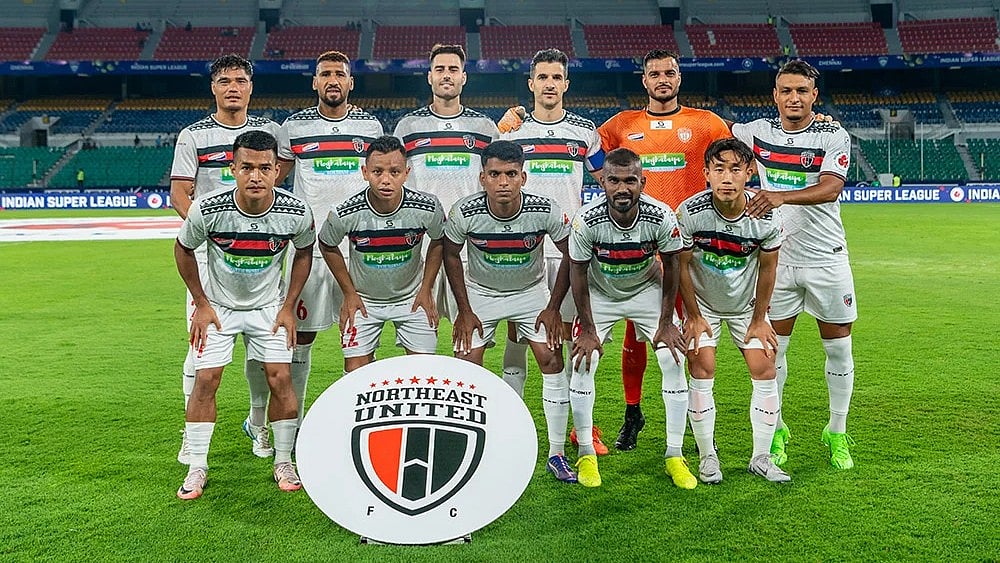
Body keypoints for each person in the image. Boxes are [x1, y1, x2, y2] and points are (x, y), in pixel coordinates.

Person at [174, 130, 315, 500]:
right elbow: (183, 249)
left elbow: (304, 253)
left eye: (265, 168)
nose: (256, 176)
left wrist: (288, 307)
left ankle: (283, 460)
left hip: (269, 308)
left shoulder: (296, 210)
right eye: (247, 167)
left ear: (277, 170)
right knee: (207, 380)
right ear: (232, 168)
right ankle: (197, 466)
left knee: (280, 378)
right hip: (219, 308)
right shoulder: (207, 207)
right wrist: (201, 304)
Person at [732, 60, 857, 469]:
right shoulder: (757, 133)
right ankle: (779, 429)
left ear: (814, 96)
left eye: (802, 91)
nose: (794, 98)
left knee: (838, 350)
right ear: (775, 95)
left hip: (826, 258)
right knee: (774, 353)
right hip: (777, 261)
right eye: (786, 90)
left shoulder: (833, 134)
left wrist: (782, 196)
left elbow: (831, 188)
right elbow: (710, 128)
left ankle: (836, 431)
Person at [170, 54, 287, 465]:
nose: (233, 87)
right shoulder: (193, 135)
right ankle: (192, 435)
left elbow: (277, 180)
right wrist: (211, 228)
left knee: (264, 347)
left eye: (240, 80)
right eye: (224, 80)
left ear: (251, 86)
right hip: (208, 254)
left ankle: (258, 424)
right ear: (213, 88)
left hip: (259, 255)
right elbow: (180, 192)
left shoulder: (271, 132)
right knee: (200, 345)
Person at [443, 140, 576, 482]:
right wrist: (465, 309)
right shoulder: (464, 211)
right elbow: (450, 255)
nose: (503, 182)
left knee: (551, 359)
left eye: (511, 174)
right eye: (495, 174)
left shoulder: (545, 209)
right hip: (480, 294)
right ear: (482, 178)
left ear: (523, 177)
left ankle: (557, 452)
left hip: (530, 293)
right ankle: (467, 447)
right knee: (466, 368)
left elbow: (570, 254)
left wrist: (552, 306)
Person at [498, 48, 608, 454]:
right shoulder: (512, 134)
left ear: (565, 84)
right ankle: (513, 422)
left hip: (568, 250)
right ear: (531, 84)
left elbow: (607, 177)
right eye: (541, 77)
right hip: (523, 248)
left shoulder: (584, 131)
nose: (548, 84)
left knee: (573, 337)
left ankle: (583, 426)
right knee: (519, 334)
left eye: (555, 77)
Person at [567, 148, 691, 489]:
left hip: (645, 289)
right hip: (600, 292)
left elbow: (674, 265)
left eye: (630, 181)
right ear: (603, 182)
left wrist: (666, 322)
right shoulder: (586, 220)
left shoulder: (661, 215)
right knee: (583, 361)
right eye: (614, 181)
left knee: (673, 357)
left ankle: (674, 454)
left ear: (642, 182)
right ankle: (587, 454)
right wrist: (588, 329)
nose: (623, 189)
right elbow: (576, 271)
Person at [275, 50, 384, 427]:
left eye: (340, 74)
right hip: (309, 253)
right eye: (325, 74)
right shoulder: (293, 127)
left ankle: (351, 423)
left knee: (359, 342)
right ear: (315, 82)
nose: (333, 80)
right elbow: (274, 180)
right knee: (299, 339)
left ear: (351, 82)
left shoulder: (371, 127)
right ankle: (293, 421)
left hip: (358, 253)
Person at [676, 137, 790, 484]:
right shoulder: (690, 212)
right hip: (704, 305)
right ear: (706, 173)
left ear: (749, 172)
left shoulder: (765, 216)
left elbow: (769, 269)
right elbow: (680, 266)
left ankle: (761, 457)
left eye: (735, 170)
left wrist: (759, 319)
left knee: (765, 369)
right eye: (719, 169)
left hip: (746, 308)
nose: (727, 178)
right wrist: (693, 316)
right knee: (703, 367)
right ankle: (708, 455)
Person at [318, 135, 445, 373]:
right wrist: (349, 293)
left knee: (425, 370)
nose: (385, 180)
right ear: (365, 172)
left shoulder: (427, 206)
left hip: (412, 298)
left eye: (394, 172)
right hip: (363, 299)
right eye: (377, 172)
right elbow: (327, 244)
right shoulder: (345, 212)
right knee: (355, 373)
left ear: (407, 173)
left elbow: (439, 239)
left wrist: (427, 288)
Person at [392, 43, 499, 322]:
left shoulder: (485, 128)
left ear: (464, 76)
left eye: (453, 69)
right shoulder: (408, 126)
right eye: (440, 69)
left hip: (468, 242)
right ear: (430, 76)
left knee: (470, 329)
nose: (446, 75)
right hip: (419, 242)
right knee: (419, 329)